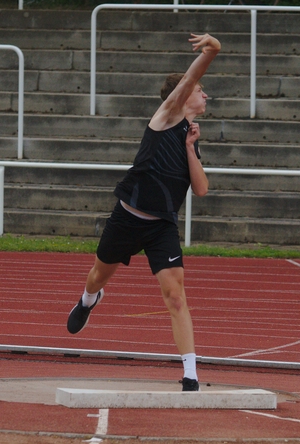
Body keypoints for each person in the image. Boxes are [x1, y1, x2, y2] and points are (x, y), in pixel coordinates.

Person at [67, 33, 221, 392]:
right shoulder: (166, 116)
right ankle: (89, 300)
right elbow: (190, 78)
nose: (206, 96)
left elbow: (201, 189)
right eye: (201, 91)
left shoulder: (188, 134)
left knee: (176, 296)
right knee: (97, 276)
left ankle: (190, 374)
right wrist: (212, 51)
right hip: (127, 218)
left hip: (161, 226)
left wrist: (191, 149)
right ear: (184, 94)